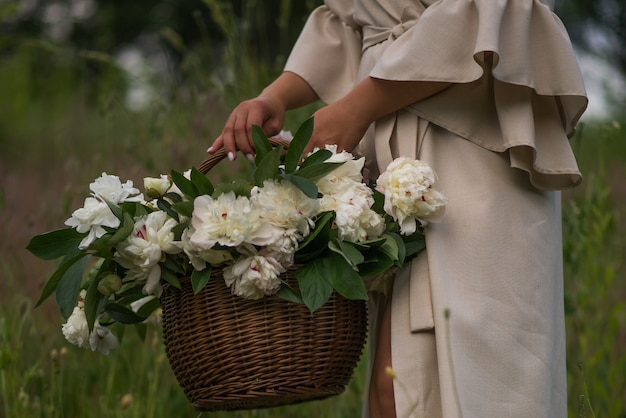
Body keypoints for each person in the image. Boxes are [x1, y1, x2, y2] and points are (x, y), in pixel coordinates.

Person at [208, 1, 588, 417]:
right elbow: (354, 19)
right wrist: (275, 96)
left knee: (476, 378)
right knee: (399, 389)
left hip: (471, 139)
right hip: (389, 155)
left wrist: (355, 109)